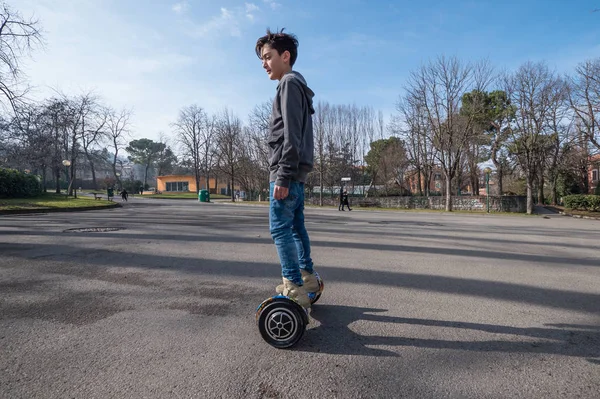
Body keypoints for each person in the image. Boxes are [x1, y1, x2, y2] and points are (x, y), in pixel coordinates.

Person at [256, 28, 319, 309]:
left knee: (280, 229)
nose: (264, 63)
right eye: (262, 59)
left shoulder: (288, 84)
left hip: (286, 172)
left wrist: (282, 175)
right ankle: (307, 278)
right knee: (295, 227)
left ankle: (293, 286)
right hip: (296, 172)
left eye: (268, 57)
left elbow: (291, 135)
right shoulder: (297, 86)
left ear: (285, 56)